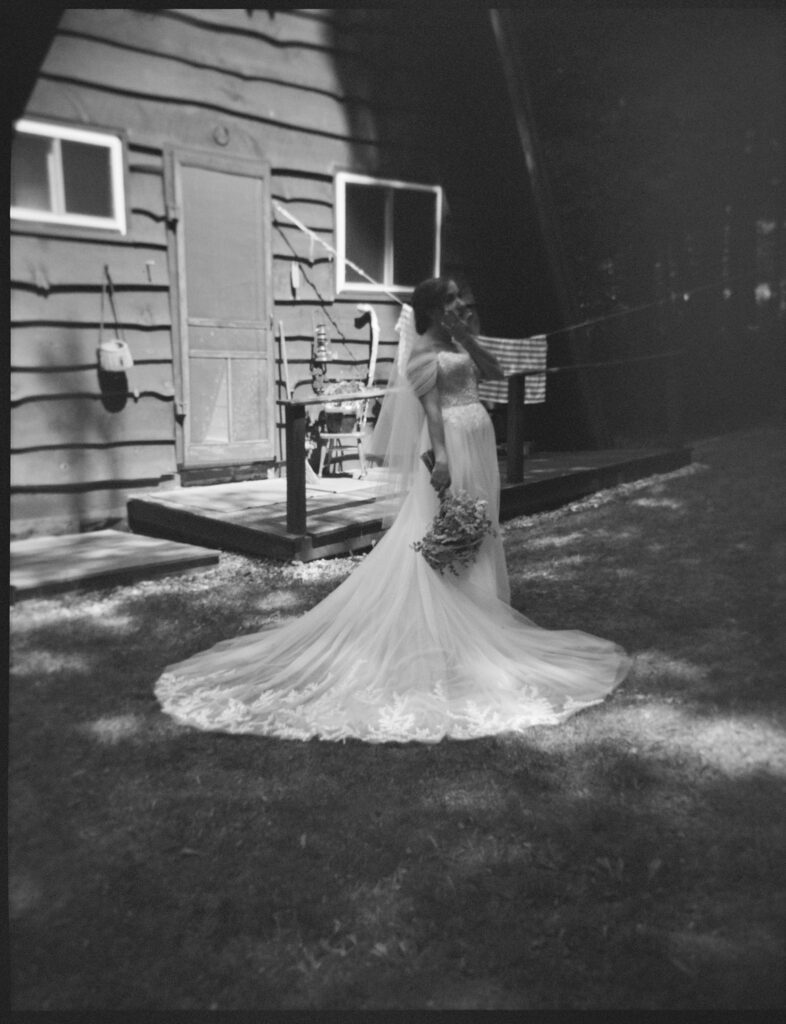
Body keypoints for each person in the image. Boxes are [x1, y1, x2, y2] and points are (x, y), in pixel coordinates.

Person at [155, 276, 631, 742]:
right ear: (433, 309)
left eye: (460, 299)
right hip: (453, 446)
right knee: (447, 527)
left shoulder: (457, 342)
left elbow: (496, 374)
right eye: (452, 301)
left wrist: (468, 337)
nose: (461, 305)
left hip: (479, 439)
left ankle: (480, 612)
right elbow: (432, 413)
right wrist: (442, 460)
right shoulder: (421, 354)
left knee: (479, 526)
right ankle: (450, 624)